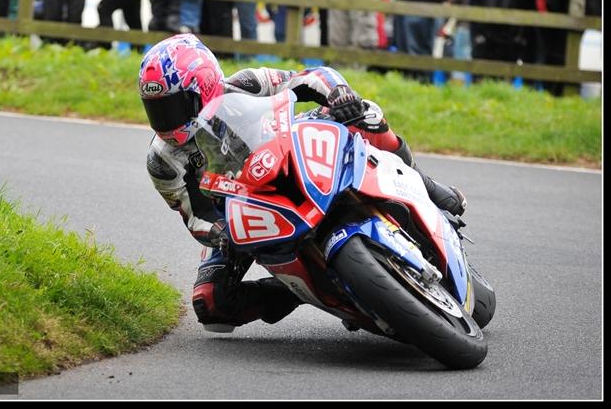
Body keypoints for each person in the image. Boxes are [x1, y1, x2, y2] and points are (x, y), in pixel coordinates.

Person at [138, 33, 467, 332]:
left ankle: (428, 186)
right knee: (210, 303)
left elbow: (310, 78)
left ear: (205, 84)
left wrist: (339, 95)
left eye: (174, 106)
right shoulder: (162, 160)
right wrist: (221, 235)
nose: (167, 120)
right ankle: (301, 289)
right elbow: (194, 216)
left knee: (367, 114)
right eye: (157, 110)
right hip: (243, 215)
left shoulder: (245, 83)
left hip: (291, 154)